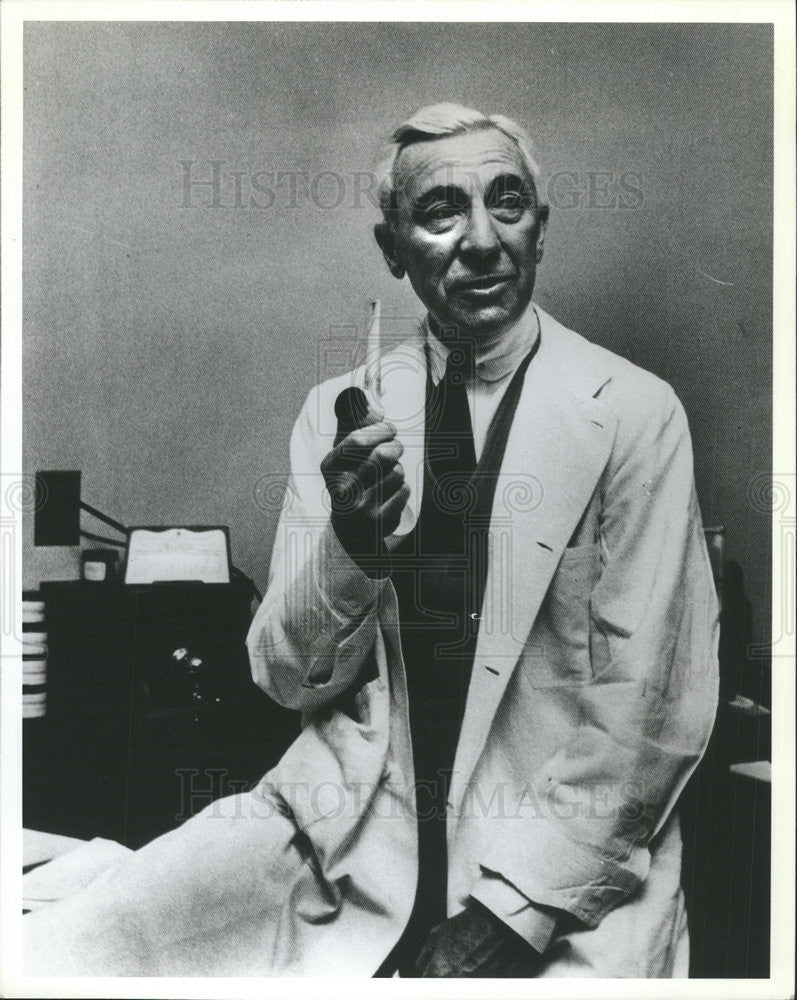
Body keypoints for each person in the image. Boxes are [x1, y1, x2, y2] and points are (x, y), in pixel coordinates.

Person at [23, 103, 719, 978]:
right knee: (74, 947)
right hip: (344, 828)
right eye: (439, 213)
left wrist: (512, 915)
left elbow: (650, 711)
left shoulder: (630, 412)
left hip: (550, 858)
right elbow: (284, 678)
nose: (480, 240)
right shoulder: (340, 413)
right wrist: (351, 546)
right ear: (391, 248)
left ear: (540, 228)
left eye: (506, 204)